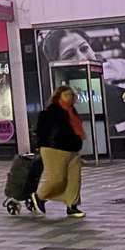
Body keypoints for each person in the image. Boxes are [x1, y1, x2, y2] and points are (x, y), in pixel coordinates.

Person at [29, 85, 86, 218]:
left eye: (71, 95)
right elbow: (41, 130)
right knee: (57, 178)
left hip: (73, 150)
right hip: (54, 148)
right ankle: (39, 196)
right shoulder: (51, 111)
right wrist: (40, 145)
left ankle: (72, 206)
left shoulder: (72, 112)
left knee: (74, 179)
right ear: (58, 97)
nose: (70, 98)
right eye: (66, 95)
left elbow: (77, 130)